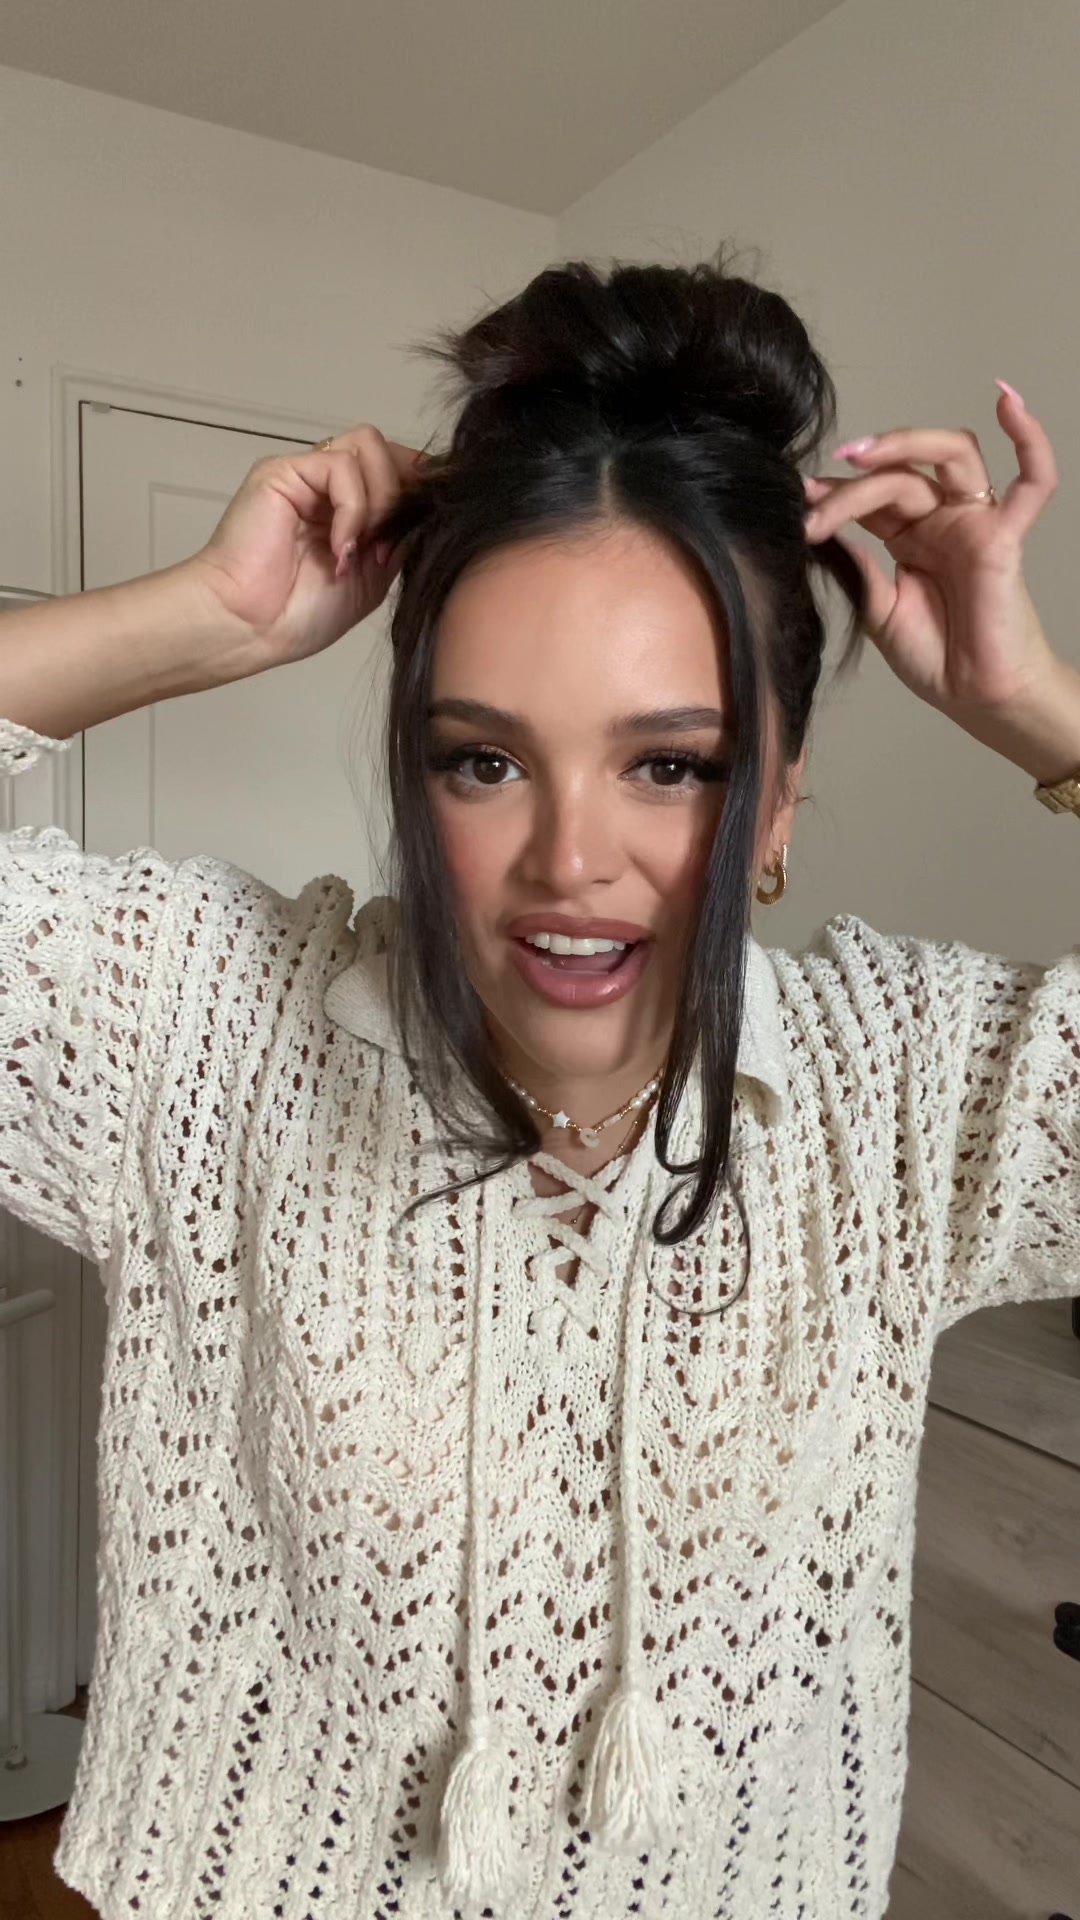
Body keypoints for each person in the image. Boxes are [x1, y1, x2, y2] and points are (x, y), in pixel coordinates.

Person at [1, 252, 1078, 1920]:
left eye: (674, 764)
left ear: (781, 795)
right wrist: (204, 621)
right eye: (484, 759)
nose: (572, 860)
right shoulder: (207, 1029)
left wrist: (1042, 711)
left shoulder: (909, 1090)